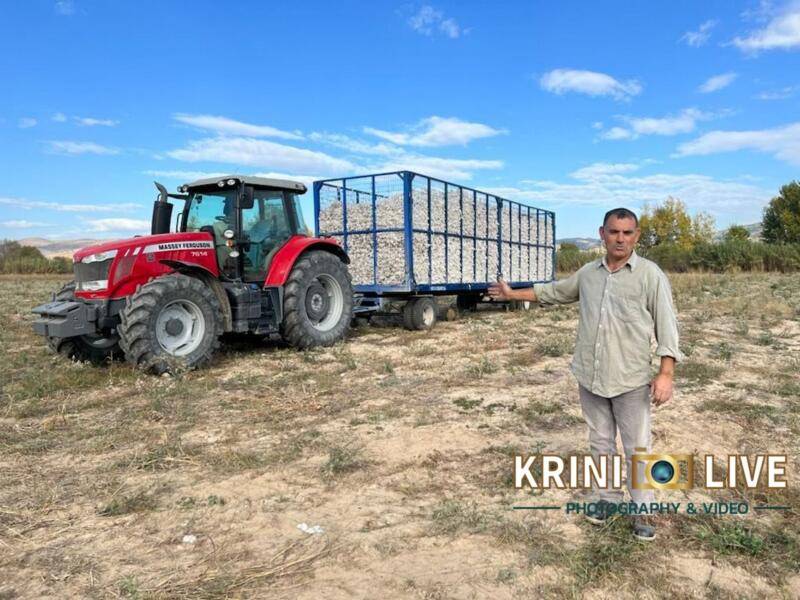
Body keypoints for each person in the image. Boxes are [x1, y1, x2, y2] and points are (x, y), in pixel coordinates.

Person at [488, 207, 683, 542]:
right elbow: (555, 292)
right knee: (600, 442)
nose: (620, 239)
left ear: (636, 236)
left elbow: (667, 326)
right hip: (590, 376)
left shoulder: (650, 275)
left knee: (637, 447)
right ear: (602, 233)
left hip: (630, 379)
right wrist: (511, 294)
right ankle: (607, 500)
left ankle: (643, 510)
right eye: (613, 232)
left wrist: (666, 373)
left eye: (627, 233)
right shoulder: (589, 274)